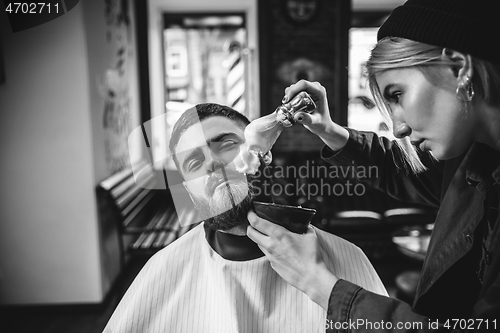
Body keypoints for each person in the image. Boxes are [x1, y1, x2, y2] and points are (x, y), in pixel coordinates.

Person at [247, 0, 500, 330]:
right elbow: (402, 169)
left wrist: (318, 283)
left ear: (459, 67)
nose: (398, 129)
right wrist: (328, 129)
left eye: (397, 94)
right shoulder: (475, 164)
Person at [102, 103, 387, 333]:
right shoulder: (162, 271)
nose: (213, 163)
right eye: (194, 162)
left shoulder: (347, 257)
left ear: (263, 153)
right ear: (188, 189)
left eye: (225, 145)